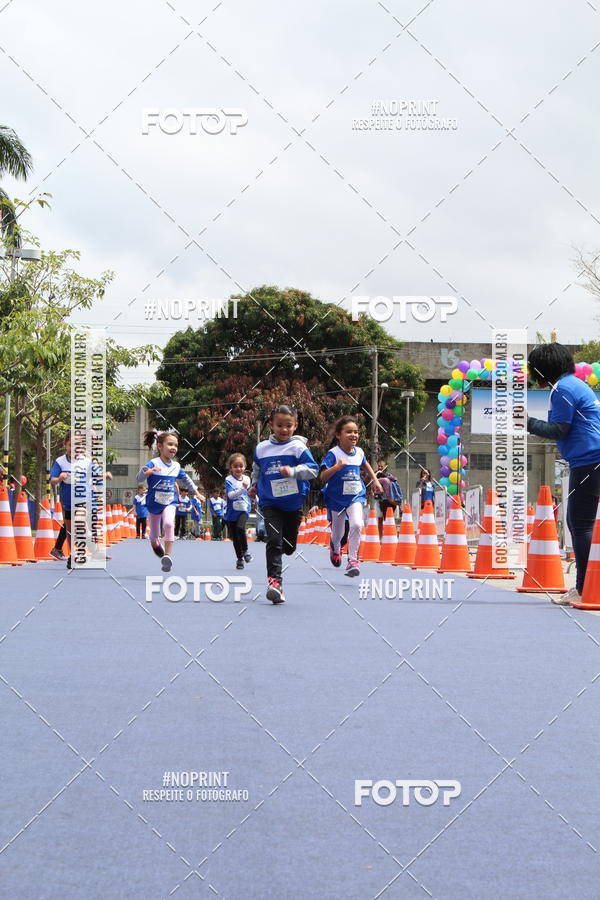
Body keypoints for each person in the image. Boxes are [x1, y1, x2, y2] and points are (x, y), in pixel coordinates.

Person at [526, 343, 600, 604]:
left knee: (580, 524)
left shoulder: (563, 389)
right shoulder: (576, 384)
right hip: (591, 459)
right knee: (581, 524)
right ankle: (586, 584)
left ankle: (583, 587)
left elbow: (559, 430)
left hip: (590, 460)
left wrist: (527, 423)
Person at [248, 404, 318, 604]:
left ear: (295, 426)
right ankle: (275, 584)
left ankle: (284, 556)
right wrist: (253, 485)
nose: (284, 429)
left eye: (288, 425)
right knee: (273, 541)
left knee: (288, 547)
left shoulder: (298, 448)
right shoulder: (261, 448)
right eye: (280, 425)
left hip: (293, 505)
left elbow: (313, 470)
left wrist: (293, 471)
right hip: (270, 503)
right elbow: (256, 470)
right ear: (271, 424)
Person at [320, 416, 383, 576]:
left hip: (355, 496)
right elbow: (323, 477)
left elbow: (366, 465)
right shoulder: (333, 453)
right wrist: (336, 467)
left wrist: (375, 480)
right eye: (349, 432)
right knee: (338, 533)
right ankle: (335, 548)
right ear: (338, 435)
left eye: (356, 432)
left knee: (356, 524)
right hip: (336, 498)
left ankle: (353, 560)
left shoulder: (359, 452)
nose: (353, 435)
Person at [136, 430, 205, 572]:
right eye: (170, 444)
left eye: (176, 445)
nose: (173, 447)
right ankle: (154, 543)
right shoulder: (153, 463)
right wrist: (147, 472)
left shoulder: (176, 466)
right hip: (154, 504)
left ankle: (167, 556)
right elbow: (139, 479)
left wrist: (197, 493)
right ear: (160, 446)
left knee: (168, 524)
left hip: (170, 502)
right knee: (154, 535)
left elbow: (186, 479)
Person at [50, 431, 112, 567]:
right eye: (72, 445)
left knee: (79, 522)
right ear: (65, 445)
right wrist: (60, 478)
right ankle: (73, 555)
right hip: (67, 502)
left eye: (78, 445)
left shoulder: (86, 461)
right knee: (70, 531)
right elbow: (52, 480)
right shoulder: (60, 462)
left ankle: (93, 547)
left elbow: (96, 473)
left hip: (83, 500)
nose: (75, 448)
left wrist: (105, 474)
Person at [223, 453, 252, 569]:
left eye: (241, 466)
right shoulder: (228, 480)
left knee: (240, 528)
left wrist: (257, 499)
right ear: (231, 467)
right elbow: (230, 495)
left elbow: (251, 492)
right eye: (235, 466)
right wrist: (242, 488)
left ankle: (245, 551)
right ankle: (239, 558)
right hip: (231, 511)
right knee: (235, 537)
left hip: (244, 509)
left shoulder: (247, 479)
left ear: (245, 467)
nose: (238, 468)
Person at [374, 458, 403, 538]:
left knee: (389, 519)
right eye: (378, 466)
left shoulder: (389, 476)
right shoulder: (375, 474)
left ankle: (391, 535)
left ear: (385, 467)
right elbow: (371, 484)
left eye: (381, 466)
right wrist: (375, 475)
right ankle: (380, 537)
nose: (380, 468)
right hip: (378, 499)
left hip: (387, 501)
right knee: (379, 519)